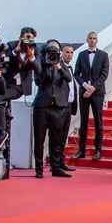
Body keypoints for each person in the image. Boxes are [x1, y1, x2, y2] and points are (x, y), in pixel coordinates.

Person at [32, 40, 72, 179]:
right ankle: (39, 168)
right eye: (51, 49)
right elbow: (39, 82)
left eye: (55, 49)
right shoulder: (41, 63)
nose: (53, 52)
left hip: (58, 106)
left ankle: (56, 167)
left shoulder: (60, 63)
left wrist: (58, 67)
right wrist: (46, 66)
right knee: (39, 139)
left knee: (56, 139)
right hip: (42, 105)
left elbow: (68, 78)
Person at [72, 32, 108, 161]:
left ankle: (98, 150)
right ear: (87, 40)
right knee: (84, 121)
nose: (92, 40)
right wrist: (85, 85)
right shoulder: (81, 55)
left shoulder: (103, 55)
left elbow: (104, 74)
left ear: (97, 40)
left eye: (94, 38)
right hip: (84, 92)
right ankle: (81, 150)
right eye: (90, 38)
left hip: (97, 93)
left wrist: (93, 88)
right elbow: (76, 74)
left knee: (98, 121)